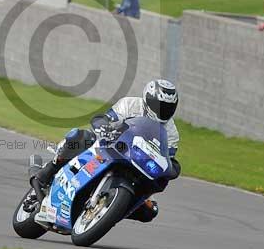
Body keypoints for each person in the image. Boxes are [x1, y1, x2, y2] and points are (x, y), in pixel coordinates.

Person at [32, 79, 181, 223]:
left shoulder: (171, 132)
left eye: (167, 107)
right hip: (112, 146)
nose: (163, 110)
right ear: (147, 99)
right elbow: (106, 119)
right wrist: (104, 127)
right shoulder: (129, 104)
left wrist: (171, 168)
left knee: (150, 210)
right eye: (159, 104)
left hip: (139, 164)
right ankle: (47, 173)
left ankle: (108, 212)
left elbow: (167, 157)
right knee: (81, 137)